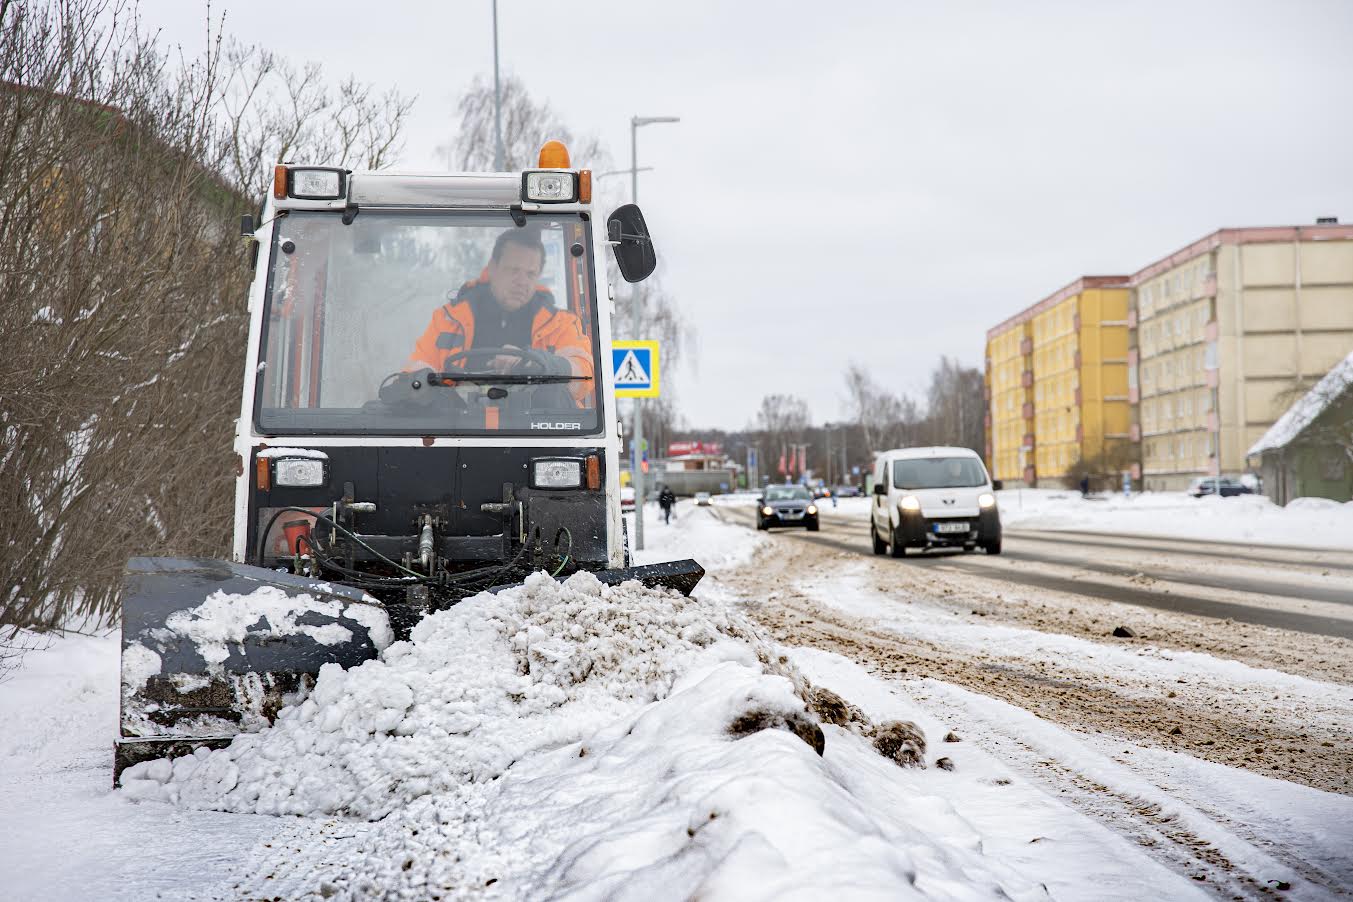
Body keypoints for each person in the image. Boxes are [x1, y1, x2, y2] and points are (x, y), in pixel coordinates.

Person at [406, 228, 593, 404]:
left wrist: (535, 363)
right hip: (457, 433)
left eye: (530, 274)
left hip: (541, 434)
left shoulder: (561, 324)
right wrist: (422, 386)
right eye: (513, 270)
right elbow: (415, 375)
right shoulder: (449, 320)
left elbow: (585, 377)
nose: (522, 282)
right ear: (492, 268)